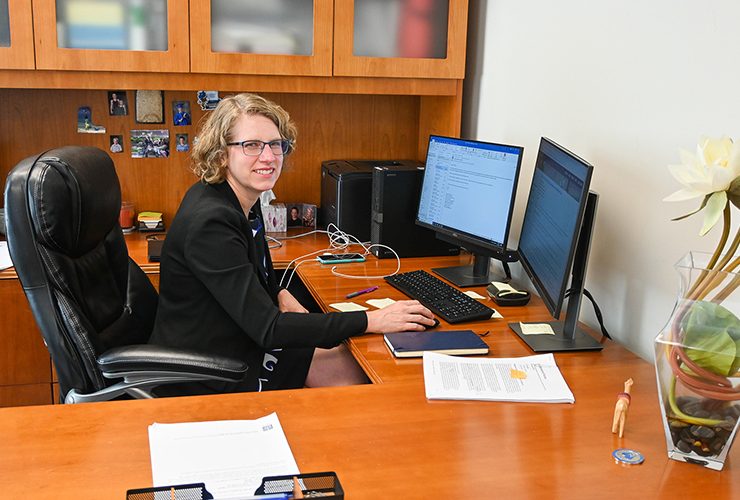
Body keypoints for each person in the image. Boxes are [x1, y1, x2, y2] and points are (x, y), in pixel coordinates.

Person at [150, 93, 434, 395]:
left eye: (275, 144)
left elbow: (250, 277)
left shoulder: (239, 198)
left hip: (238, 340)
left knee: (363, 360)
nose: (268, 157)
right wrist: (372, 319)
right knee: (366, 378)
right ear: (221, 155)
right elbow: (269, 328)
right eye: (251, 145)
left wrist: (279, 293)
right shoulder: (211, 222)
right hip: (212, 370)